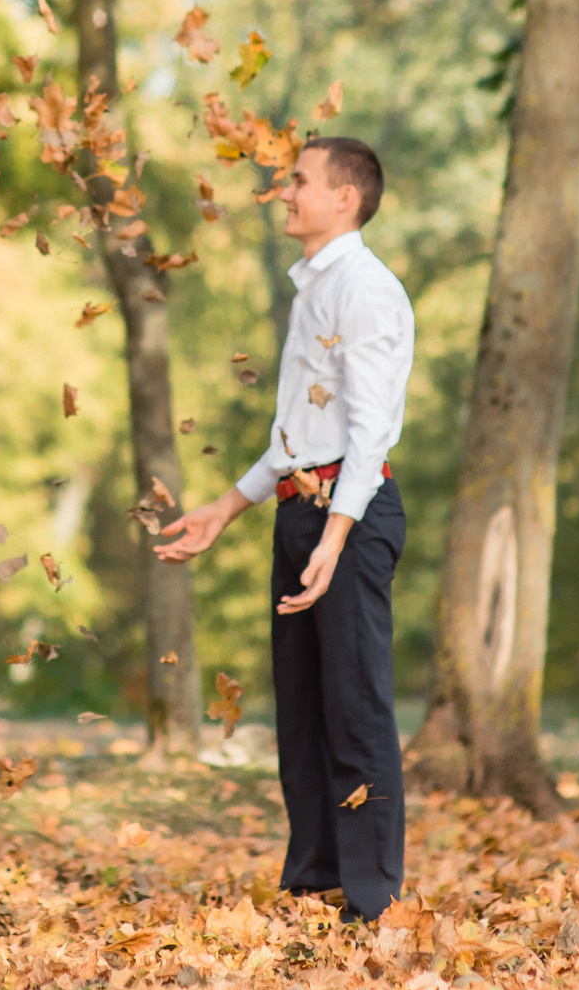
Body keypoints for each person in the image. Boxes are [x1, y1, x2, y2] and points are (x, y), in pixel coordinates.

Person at [154, 136, 415, 921]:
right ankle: (314, 881)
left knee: (356, 706)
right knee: (302, 711)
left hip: (351, 518)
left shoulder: (364, 289)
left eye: (298, 180)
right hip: (301, 510)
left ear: (345, 196)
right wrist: (225, 509)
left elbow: (368, 433)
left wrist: (336, 537)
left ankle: (371, 898)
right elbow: (295, 434)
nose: (285, 191)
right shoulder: (313, 289)